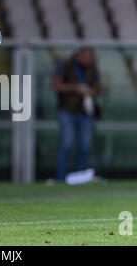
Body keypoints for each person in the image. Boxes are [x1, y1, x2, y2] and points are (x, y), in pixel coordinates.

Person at [51, 46, 101, 181]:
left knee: (85, 147)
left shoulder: (92, 68)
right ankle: (60, 179)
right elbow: (56, 85)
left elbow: (98, 87)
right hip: (67, 111)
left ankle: (80, 179)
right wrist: (76, 88)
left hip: (85, 113)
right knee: (67, 145)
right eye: (87, 57)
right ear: (79, 55)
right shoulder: (64, 65)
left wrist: (90, 91)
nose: (89, 60)